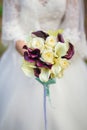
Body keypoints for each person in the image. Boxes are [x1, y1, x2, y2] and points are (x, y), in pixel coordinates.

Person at [0, 0, 87, 130]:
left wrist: (56, 55)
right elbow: (11, 25)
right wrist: (29, 55)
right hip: (22, 54)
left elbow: (72, 29)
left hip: (57, 53)